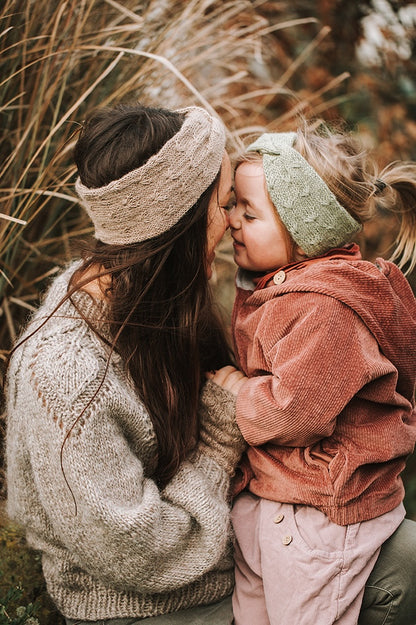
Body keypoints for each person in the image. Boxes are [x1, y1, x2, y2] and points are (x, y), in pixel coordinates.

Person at [5, 104, 416, 625]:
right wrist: (226, 428)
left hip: (238, 543)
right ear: (178, 226)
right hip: (154, 601)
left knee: (407, 557)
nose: (232, 223)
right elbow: (140, 553)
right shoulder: (67, 375)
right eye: (227, 204)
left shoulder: (163, 299)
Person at [222, 126, 416, 625]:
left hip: (320, 510)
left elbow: (296, 412)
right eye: (232, 207)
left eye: (249, 212)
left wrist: (236, 392)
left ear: (302, 226)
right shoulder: (282, 287)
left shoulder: (324, 310)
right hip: (279, 495)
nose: (231, 222)